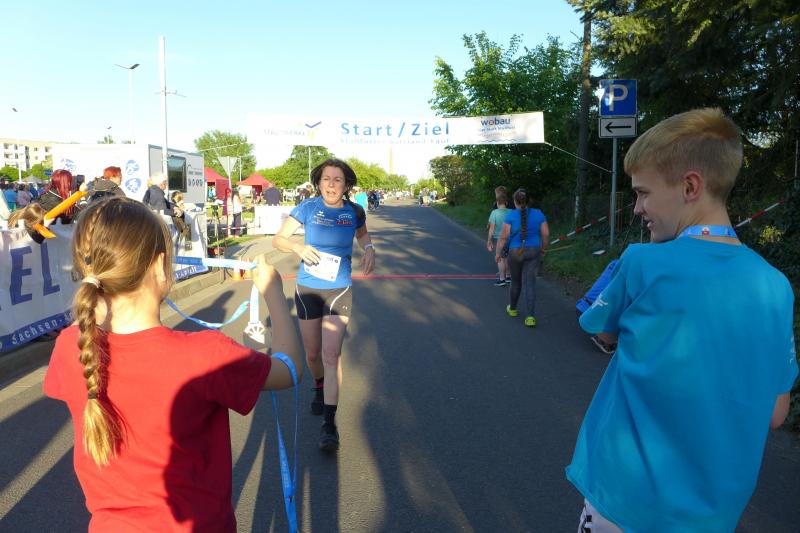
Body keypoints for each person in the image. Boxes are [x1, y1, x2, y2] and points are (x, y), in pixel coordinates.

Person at [566, 108, 798, 532]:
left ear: (690, 186)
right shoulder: (776, 286)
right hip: (713, 514)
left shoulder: (642, 261)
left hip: (623, 499)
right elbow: (776, 413)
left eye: (642, 193)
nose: (637, 208)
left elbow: (601, 330)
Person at [43, 197, 302, 531]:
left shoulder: (71, 345)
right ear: (159, 265)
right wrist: (273, 293)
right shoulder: (204, 354)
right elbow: (289, 368)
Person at [272, 158, 375, 453]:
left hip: (339, 290)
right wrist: (297, 247)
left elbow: (362, 234)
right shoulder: (307, 208)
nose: (331, 185)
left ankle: (330, 425)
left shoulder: (354, 211)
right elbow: (279, 240)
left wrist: (369, 248)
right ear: (318, 183)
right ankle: (318, 385)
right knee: (313, 354)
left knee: (331, 354)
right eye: (326, 179)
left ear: (346, 184)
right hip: (308, 289)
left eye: (337, 179)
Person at [495, 188, 549, 327]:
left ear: (514, 201)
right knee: (530, 283)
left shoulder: (511, 216)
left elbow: (503, 237)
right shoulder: (538, 214)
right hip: (534, 251)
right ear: (529, 200)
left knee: (515, 281)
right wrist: (543, 248)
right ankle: (530, 317)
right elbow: (545, 234)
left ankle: (512, 309)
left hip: (515, 252)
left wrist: (498, 253)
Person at [486, 192, 512, 286]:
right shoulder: (511, 212)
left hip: (499, 239)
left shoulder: (494, 213)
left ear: (497, 203)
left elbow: (491, 228)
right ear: (506, 203)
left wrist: (489, 240)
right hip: (510, 239)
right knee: (508, 258)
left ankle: (502, 279)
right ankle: (508, 276)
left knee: (500, 258)